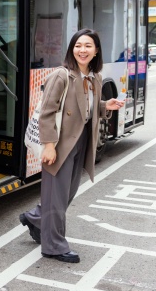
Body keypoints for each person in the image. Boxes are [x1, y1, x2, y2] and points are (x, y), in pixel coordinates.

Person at [19, 28, 125, 263]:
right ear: (72, 49)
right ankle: (53, 246)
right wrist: (49, 145)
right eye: (78, 45)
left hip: (82, 140)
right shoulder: (61, 75)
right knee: (56, 197)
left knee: (66, 194)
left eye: (88, 46)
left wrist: (106, 105)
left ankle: (36, 218)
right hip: (60, 143)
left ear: (96, 50)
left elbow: (87, 109)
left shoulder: (94, 77)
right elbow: (46, 113)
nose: (82, 50)